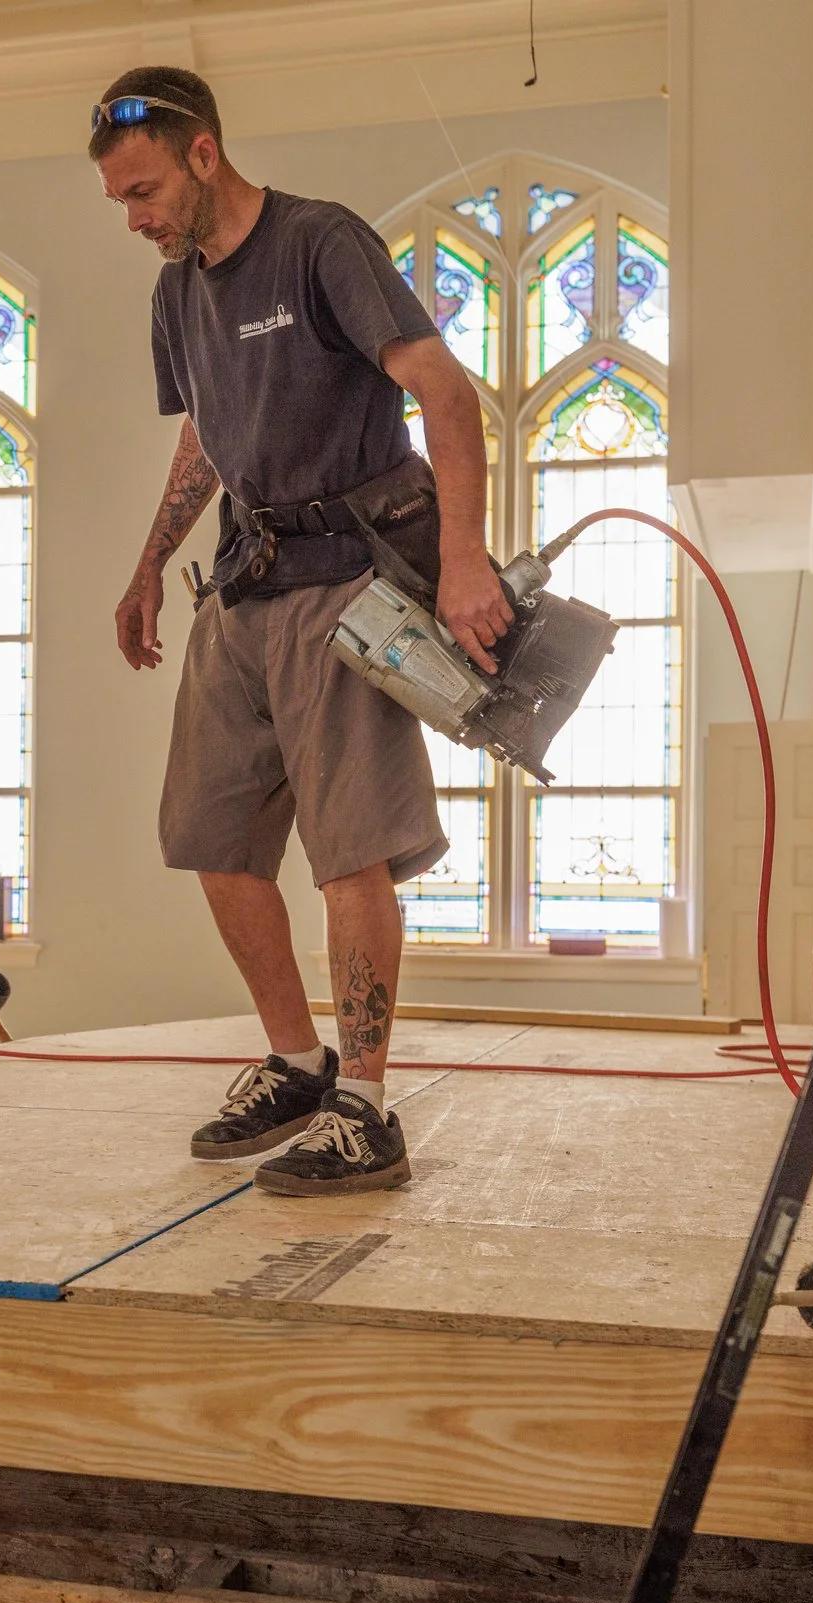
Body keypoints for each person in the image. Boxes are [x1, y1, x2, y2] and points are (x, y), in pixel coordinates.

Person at [92, 67, 505, 1197]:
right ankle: (292, 1057)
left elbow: (445, 392)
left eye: (142, 192)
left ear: (203, 155)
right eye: (120, 201)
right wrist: (145, 565)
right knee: (212, 837)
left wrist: (464, 559)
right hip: (242, 580)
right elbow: (205, 444)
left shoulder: (321, 244)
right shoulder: (177, 292)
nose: (134, 219)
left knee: (347, 851)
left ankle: (365, 1103)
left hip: (347, 580)